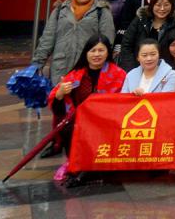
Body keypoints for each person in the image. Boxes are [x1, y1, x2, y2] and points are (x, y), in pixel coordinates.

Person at [47, 36, 125, 181]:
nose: (97, 54)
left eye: (101, 50)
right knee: (67, 128)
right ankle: (75, 162)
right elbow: (58, 108)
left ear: (108, 52)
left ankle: (95, 165)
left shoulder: (119, 75)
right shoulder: (75, 75)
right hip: (79, 120)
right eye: (93, 50)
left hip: (107, 122)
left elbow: (123, 104)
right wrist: (60, 94)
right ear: (86, 53)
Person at [31, 0, 116, 85]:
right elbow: (47, 39)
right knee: (59, 94)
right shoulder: (60, 10)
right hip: (60, 66)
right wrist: (37, 63)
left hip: (88, 66)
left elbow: (107, 41)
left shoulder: (101, 11)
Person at [119, 0, 175, 70]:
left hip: (165, 70)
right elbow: (126, 45)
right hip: (138, 68)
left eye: (166, 5)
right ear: (152, 5)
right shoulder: (140, 20)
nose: (162, 9)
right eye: (158, 5)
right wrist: (131, 70)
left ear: (172, 6)